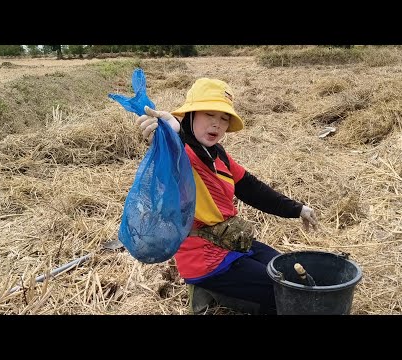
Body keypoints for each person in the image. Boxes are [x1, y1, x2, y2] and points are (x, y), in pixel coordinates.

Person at [135, 78, 318, 315]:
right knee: (286, 290)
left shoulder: (217, 154)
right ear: (190, 115)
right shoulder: (180, 153)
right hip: (205, 259)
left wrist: (297, 209)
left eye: (224, 118)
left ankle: (226, 294)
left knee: (286, 269)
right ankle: (209, 289)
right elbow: (173, 155)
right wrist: (170, 136)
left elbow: (251, 188)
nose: (217, 125)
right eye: (209, 114)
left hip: (232, 242)